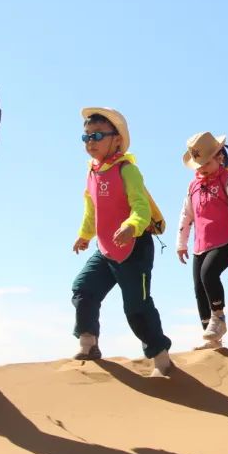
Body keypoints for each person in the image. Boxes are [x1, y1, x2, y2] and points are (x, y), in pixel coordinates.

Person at [71, 107, 173, 377]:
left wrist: (131, 225)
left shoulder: (128, 170)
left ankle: (161, 359)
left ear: (117, 140)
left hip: (134, 247)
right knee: (83, 289)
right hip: (106, 249)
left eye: (97, 136)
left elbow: (141, 207)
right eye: (86, 137)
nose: (90, 142)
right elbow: (92, 210)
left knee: (137, 307)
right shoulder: (92, 172)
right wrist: (84, 235)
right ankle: (89, 344)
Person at [176, 132, 228, 349]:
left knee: (209, 274)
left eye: (206, 162)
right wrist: (181, 242)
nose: (201, 168)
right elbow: (186, 215)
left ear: (220, 158)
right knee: (199, 287)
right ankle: (211, 337)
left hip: (227, 240)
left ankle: (219, 317)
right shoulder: (193, 186)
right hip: (200, 244)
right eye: (198, 164)